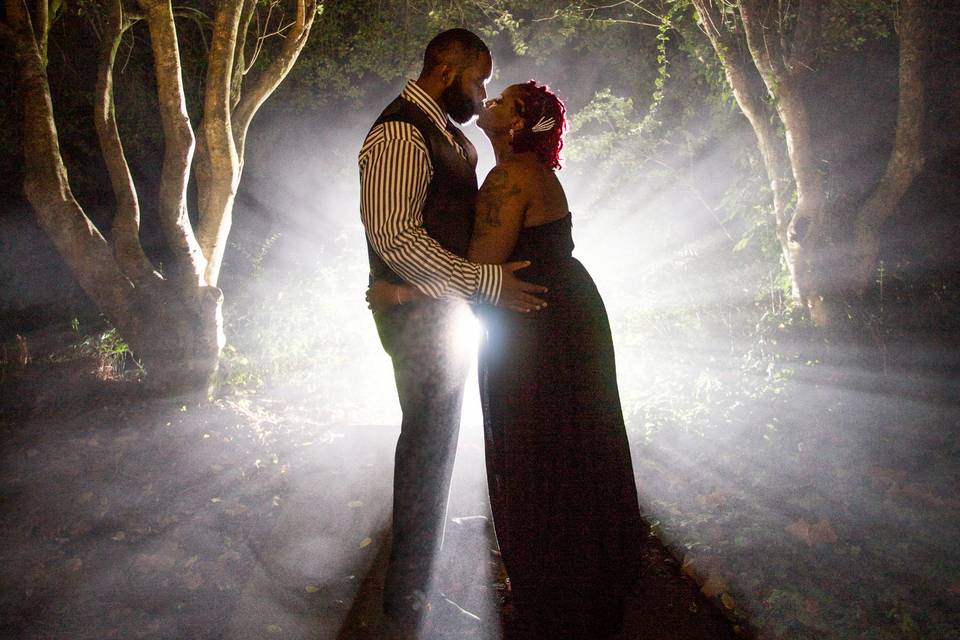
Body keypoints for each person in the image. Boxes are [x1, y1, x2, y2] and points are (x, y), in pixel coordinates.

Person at [368, 81, 644, 639]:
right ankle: (582, 577)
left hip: (538, 327)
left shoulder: (509, 176)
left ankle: (559, 591)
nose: (488, 102)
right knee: (570, 441)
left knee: (537, 445)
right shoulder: (516, 173)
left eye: (503, 101)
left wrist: (400, 293)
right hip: (559, 315)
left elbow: (478, 271)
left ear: (517, 124)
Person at [358, 29, 548, 636]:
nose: (483, 90)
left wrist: (421, 286)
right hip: (418, 320)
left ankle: (421, 584)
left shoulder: (450, 136)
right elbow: (395, 237)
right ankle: (406, 603)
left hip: (434, 305)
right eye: (479, 78)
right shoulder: (399, 132)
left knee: (438, 441)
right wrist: (477, 285)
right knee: (427, 445)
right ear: (445, 69)